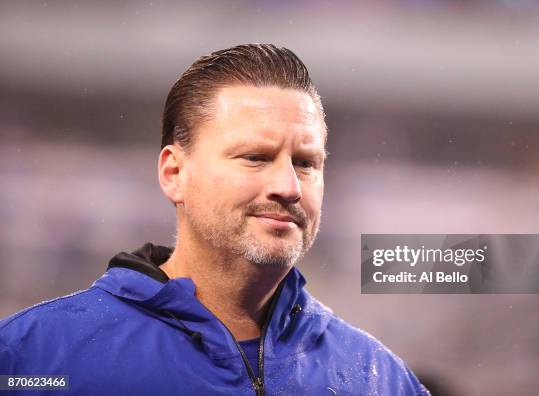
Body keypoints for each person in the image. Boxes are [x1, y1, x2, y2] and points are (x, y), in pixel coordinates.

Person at [0, 44, 429, 395]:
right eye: (255, 158)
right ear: (175, 174)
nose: (289, 186)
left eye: (305, 162)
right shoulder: (33, 358)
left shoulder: (381, 380)